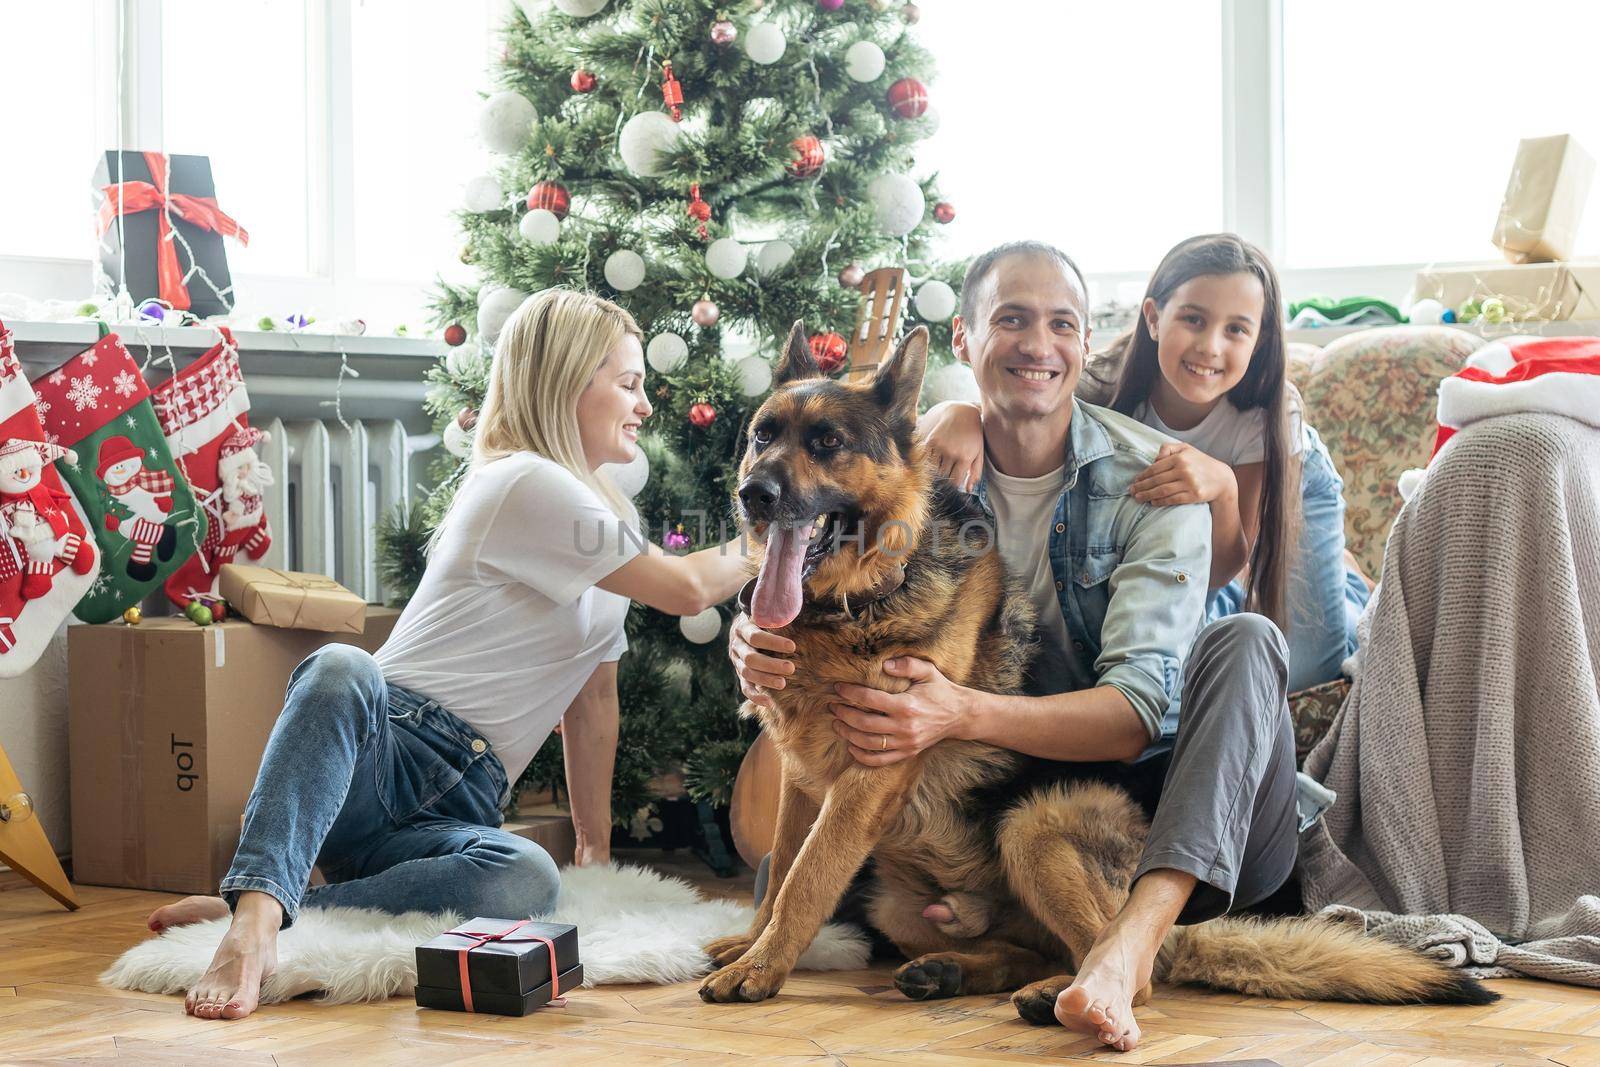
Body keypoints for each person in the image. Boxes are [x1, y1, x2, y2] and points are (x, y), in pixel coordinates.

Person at [728, 242, 1298, 1052]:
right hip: (1010, 802)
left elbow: (1136, 716)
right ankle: (1004, 949)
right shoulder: (915, 460)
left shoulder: (1155, 479)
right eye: (1011, 320)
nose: (1038, 344)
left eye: (1060, 323)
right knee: (831, 877)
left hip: (1180, 810)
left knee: (1246, 637)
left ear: (1085, 342)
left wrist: (954, 710)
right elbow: (795, 557)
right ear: (964, 340)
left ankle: (1124, 948)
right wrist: (751, 632)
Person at [150, 289, 752, 1021]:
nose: (646, 405)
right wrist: (778, 536)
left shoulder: (606, 521)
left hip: (465, 795)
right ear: (567, 382)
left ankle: (293, 902)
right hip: (378, 754)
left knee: (525, 877)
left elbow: (592, 702)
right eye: (629, 383)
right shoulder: (525, 480)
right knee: (342, 665)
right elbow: (689, 588)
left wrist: (593, 849)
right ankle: (248, 924)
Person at [923, 233, 1370, 693]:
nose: (1209, 347)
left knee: (1308, 668)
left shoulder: (1268, 416)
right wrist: (953, 412)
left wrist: (1224, 488)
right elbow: (1025, 400)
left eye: (1235, 329)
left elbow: (1223, 570)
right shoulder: (1105, 385)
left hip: (1278, 491)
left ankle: (1348, 583)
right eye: (1193, 319)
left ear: (1259, 341)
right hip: (1188, 512)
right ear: (1154, 318)